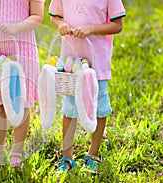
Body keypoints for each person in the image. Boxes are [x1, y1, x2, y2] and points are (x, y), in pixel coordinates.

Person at [49, 0, 126, 171]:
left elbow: (117, 25)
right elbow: (54, 17)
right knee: (70, 108)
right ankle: (66, 155)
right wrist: (61, 24)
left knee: (99, 106)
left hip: (97, 61)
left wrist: (91, 28)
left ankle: (93, 153)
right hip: (71, 59)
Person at [0, 0, 44, 167]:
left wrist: (16, 27)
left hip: (22, 47)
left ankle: (17, 152)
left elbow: (37, 16)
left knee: (21, 101)